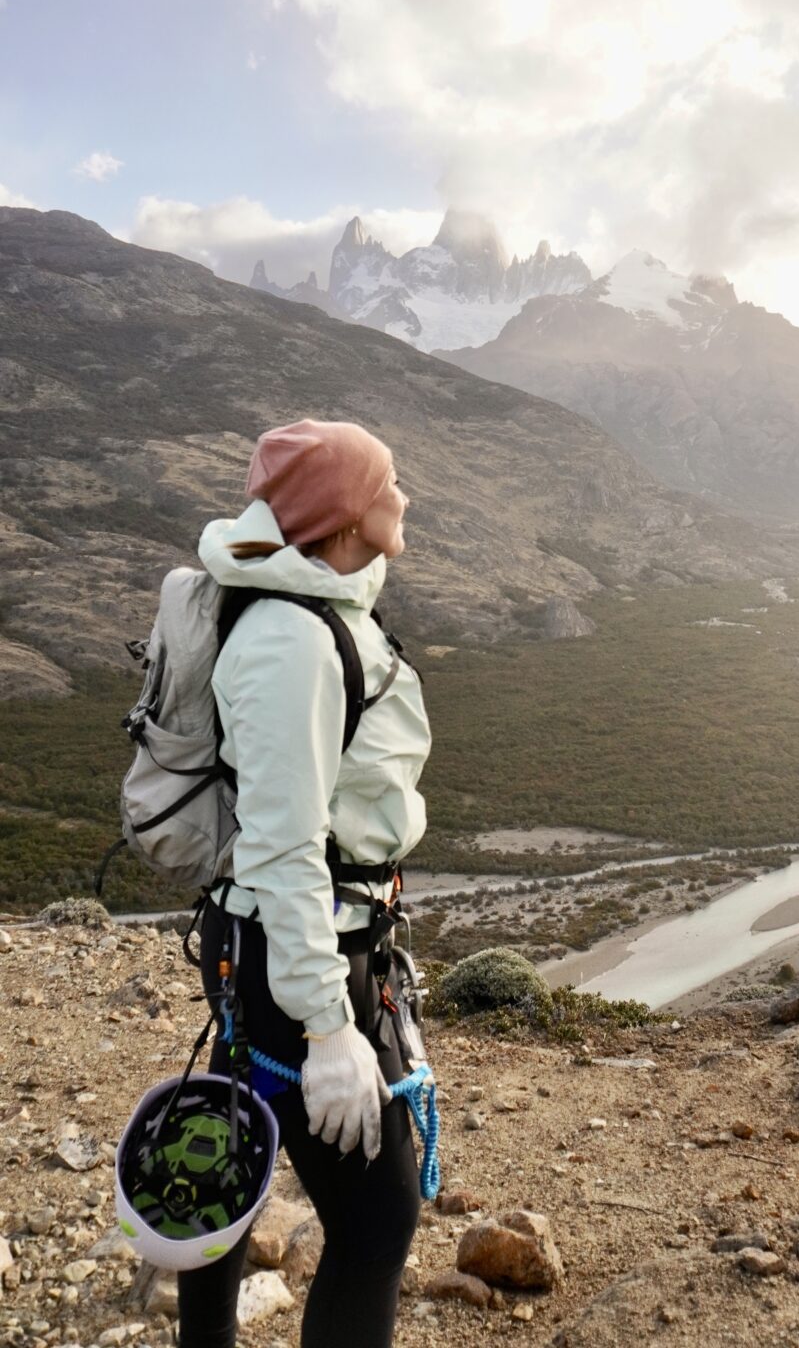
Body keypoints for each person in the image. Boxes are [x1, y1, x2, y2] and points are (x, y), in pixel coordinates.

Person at [176, 418, 432, 1348]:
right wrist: (328, 1028)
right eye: (388, 483)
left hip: (280, 947)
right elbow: (285, 851)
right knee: (376, 1224)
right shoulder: (294, 643)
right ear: (344, 512)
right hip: (300, 955)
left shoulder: (318, 614)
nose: (404, 498)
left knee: (231, 1178)